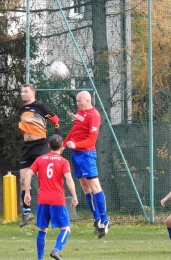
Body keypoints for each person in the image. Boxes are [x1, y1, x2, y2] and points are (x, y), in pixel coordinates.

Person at [63, 90, 110, 239]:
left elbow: (91, 141)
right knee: (84, 187)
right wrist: (63, 145)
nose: (77, 104)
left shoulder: (94, 116)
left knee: (95, 186)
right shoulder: (79, 112)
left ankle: (105, 220)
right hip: (76, 154)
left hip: (87, 155)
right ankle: (96, 218)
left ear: (88, 101)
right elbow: (74, 130)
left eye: (79, 101)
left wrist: (75, 145)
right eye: (77, 101)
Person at [24, 134, 78, 260]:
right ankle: (56, 249)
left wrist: (27, 193)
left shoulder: (40, 159)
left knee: (42, 229)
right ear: (62, 147)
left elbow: (28, 174)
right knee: (66, 228)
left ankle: (40, 258)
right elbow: (69, 179)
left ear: (49, 146)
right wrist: (74, 196)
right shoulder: (64, 162)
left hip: (42, 200)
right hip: (57, 200)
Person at [19, 83, 62, 227]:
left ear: (32, 93)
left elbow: (56, 122)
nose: (22, 94)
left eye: (25, 91)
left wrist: (58, 140)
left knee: (43, 180)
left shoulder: (41, 107)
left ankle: (51, 213)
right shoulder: (23, 109)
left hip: (40, 146)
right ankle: (27, 212)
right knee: (23, 180)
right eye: (22, 91)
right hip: (27, 147)